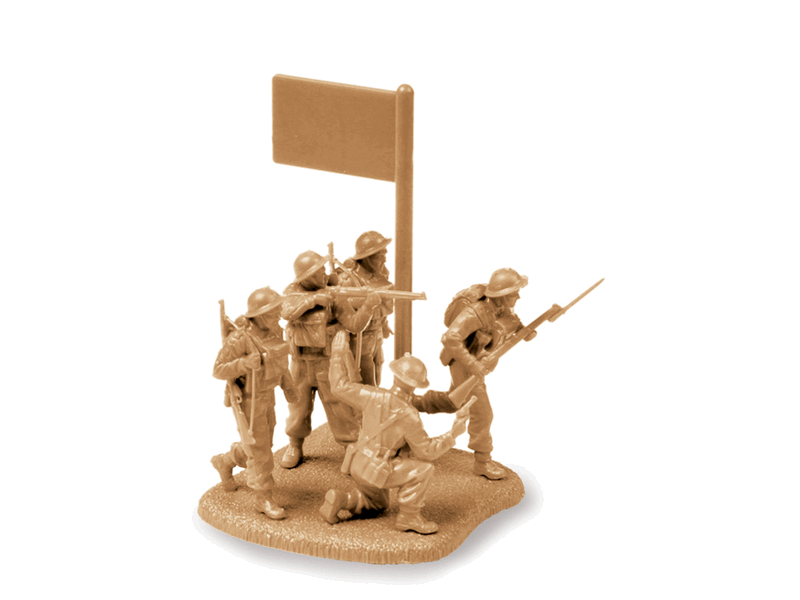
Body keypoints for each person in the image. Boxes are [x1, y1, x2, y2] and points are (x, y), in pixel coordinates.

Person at [319, 330, 469, 534]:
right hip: (378, 467)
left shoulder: (372, 395)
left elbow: (339, 386)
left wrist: (337, 355)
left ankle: (343, 500)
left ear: (396, 376)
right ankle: (409, 517)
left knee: (377, 504)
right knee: (423, 469)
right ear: (416, 385)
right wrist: (453, 434)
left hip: (358, 462)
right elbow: (427, 452)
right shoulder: (409, 416)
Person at [280, 250, 382, 469]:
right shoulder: (292, 292)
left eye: (322, 270)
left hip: (327, 362)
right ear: (306, 278)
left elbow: (354, 325)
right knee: (298, 407)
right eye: (317, 272)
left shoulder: (335, 294)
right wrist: (313, 300)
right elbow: (287, 311)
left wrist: (368, 307)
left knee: (340, 407)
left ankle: (350, 447)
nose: (324, 275)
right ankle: (295, 445)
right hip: (300, 363)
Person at [440, 268, 536, 480]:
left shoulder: (502, 310)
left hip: (476, 365)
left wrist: (527, 331)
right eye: (514, 293)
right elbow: (450, 338)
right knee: (483, 414)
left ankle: (414, 417)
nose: (518, 297)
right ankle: (482, 462)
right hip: (464, 366)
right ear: (502, 295)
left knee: (455, 403)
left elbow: (514, 325)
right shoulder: (476, 312)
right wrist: (472, 364)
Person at [210, 287, 297, 520]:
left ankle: (226, 461)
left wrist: (289, 389)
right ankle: (263, 497)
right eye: (273, 312)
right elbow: (218, 370)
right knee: (260, 451)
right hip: (249, 400)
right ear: (259, 315)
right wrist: (244, 364)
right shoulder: (240, 339)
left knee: (261, 445)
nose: (278, 315)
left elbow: (280, 364)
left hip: (268, 396)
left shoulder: (274, 333)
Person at [337, 230, 394, 386]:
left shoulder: (380, 276)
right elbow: (341, 308)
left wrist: (384, 323)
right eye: (380, 256)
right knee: (366, 378)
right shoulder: (348, 279)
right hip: (360, 337)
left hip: (377, 334)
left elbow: (383, 304)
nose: (384, 260)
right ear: (367, 257)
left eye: (384, 255)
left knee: (378, 368)